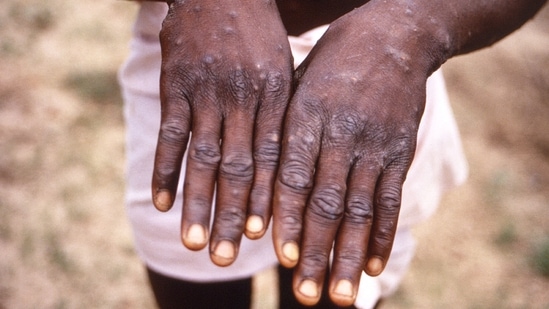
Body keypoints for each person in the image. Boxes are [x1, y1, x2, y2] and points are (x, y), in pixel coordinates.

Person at [118, 0, 547, 307]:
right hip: (204, 69)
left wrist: (413, 28)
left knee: (332, 288)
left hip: (375, 85)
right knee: (193, 279)